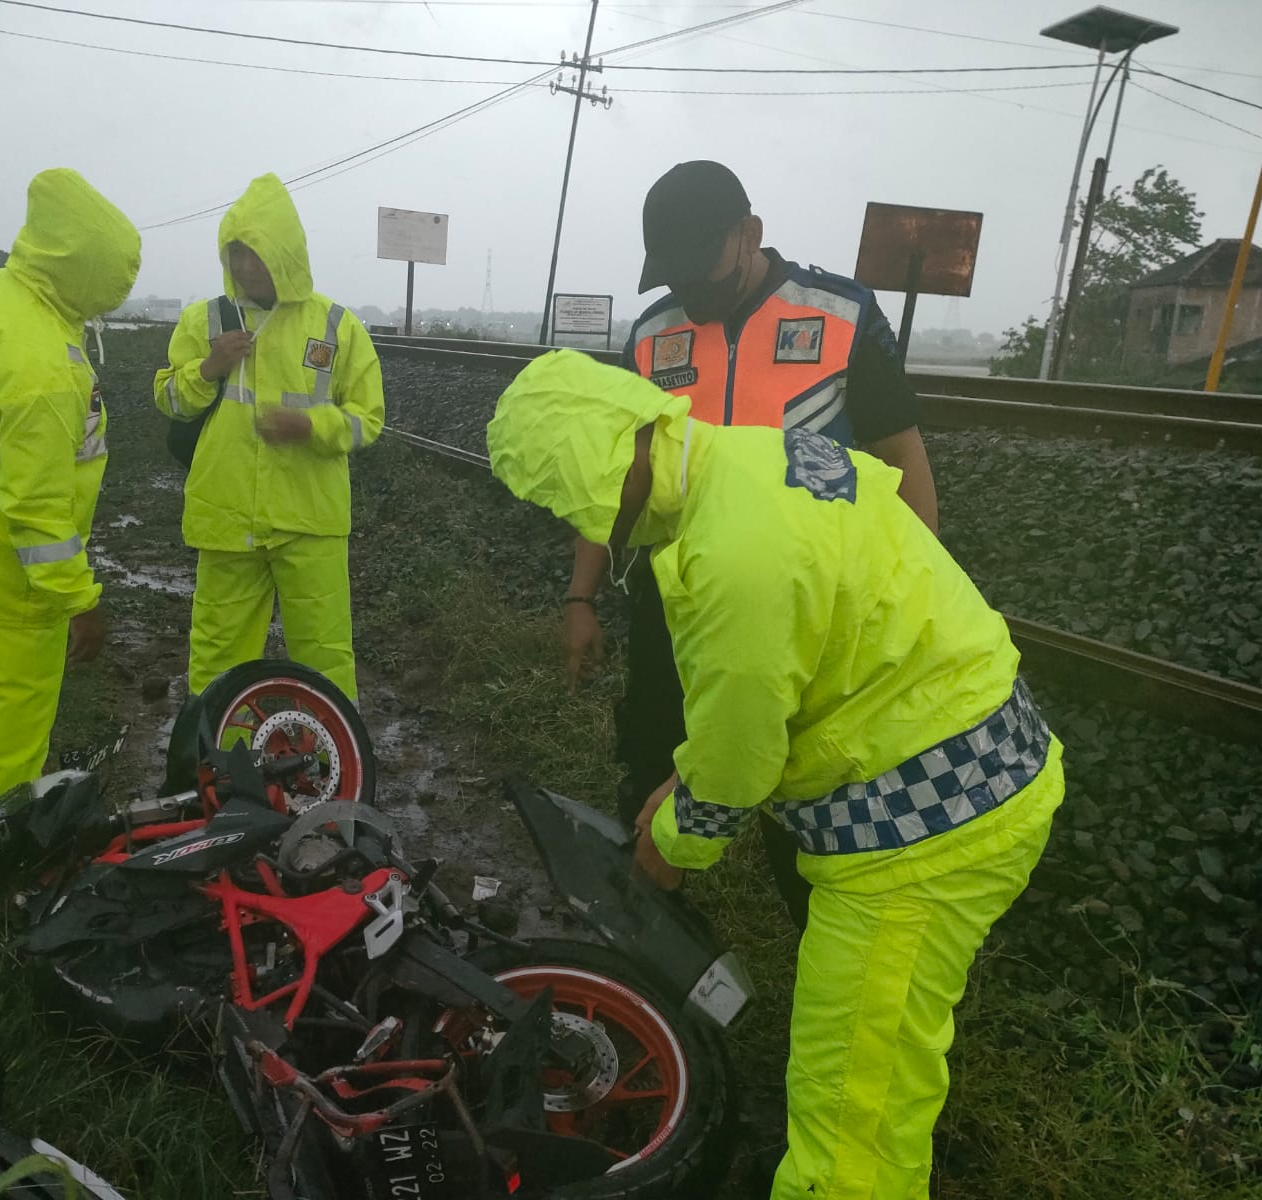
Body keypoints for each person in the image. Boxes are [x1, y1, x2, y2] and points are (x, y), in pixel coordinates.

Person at [489, 349, 1064, 1200]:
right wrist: (689, 784)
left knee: (852, 1115)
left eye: (569, 492)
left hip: (927, 827)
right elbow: (768, 684)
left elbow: (738, 758)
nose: (577, 518)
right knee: (869, 1068)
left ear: (610, 454)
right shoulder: (744, 459)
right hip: (968, 760)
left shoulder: (733, 553)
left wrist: (677, 838)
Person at [564, 159, 940, 928]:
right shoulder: (653, 335)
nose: (689, 294)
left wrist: (915, 596)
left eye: (700, 271)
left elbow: (903, 459)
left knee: (807, 800)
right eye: (673, 276)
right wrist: (581, 595)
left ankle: (823, 946)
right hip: (675, 606)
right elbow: (620, 482)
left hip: (811, 613)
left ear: (751, 234)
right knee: (649, 774)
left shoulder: (839, 314)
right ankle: (647, 956)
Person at [0, 168, 141, 817]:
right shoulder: (44, 370)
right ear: (84, 273)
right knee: (8, 738)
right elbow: (38, 514)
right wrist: (81, 602)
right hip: (8, 587)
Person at [154, 173, 383, 702]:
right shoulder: (204, 320)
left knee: (324, 653)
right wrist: (207, 368)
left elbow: (366, 420)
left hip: (310, 521)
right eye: (236, 253)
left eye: (256, 254)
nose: (245, 266)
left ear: (286, 254)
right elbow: (167, 400)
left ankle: (329, 768)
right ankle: (212, 763)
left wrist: (311, 426)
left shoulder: (337, 326)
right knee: (217, 656)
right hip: (226, 517)